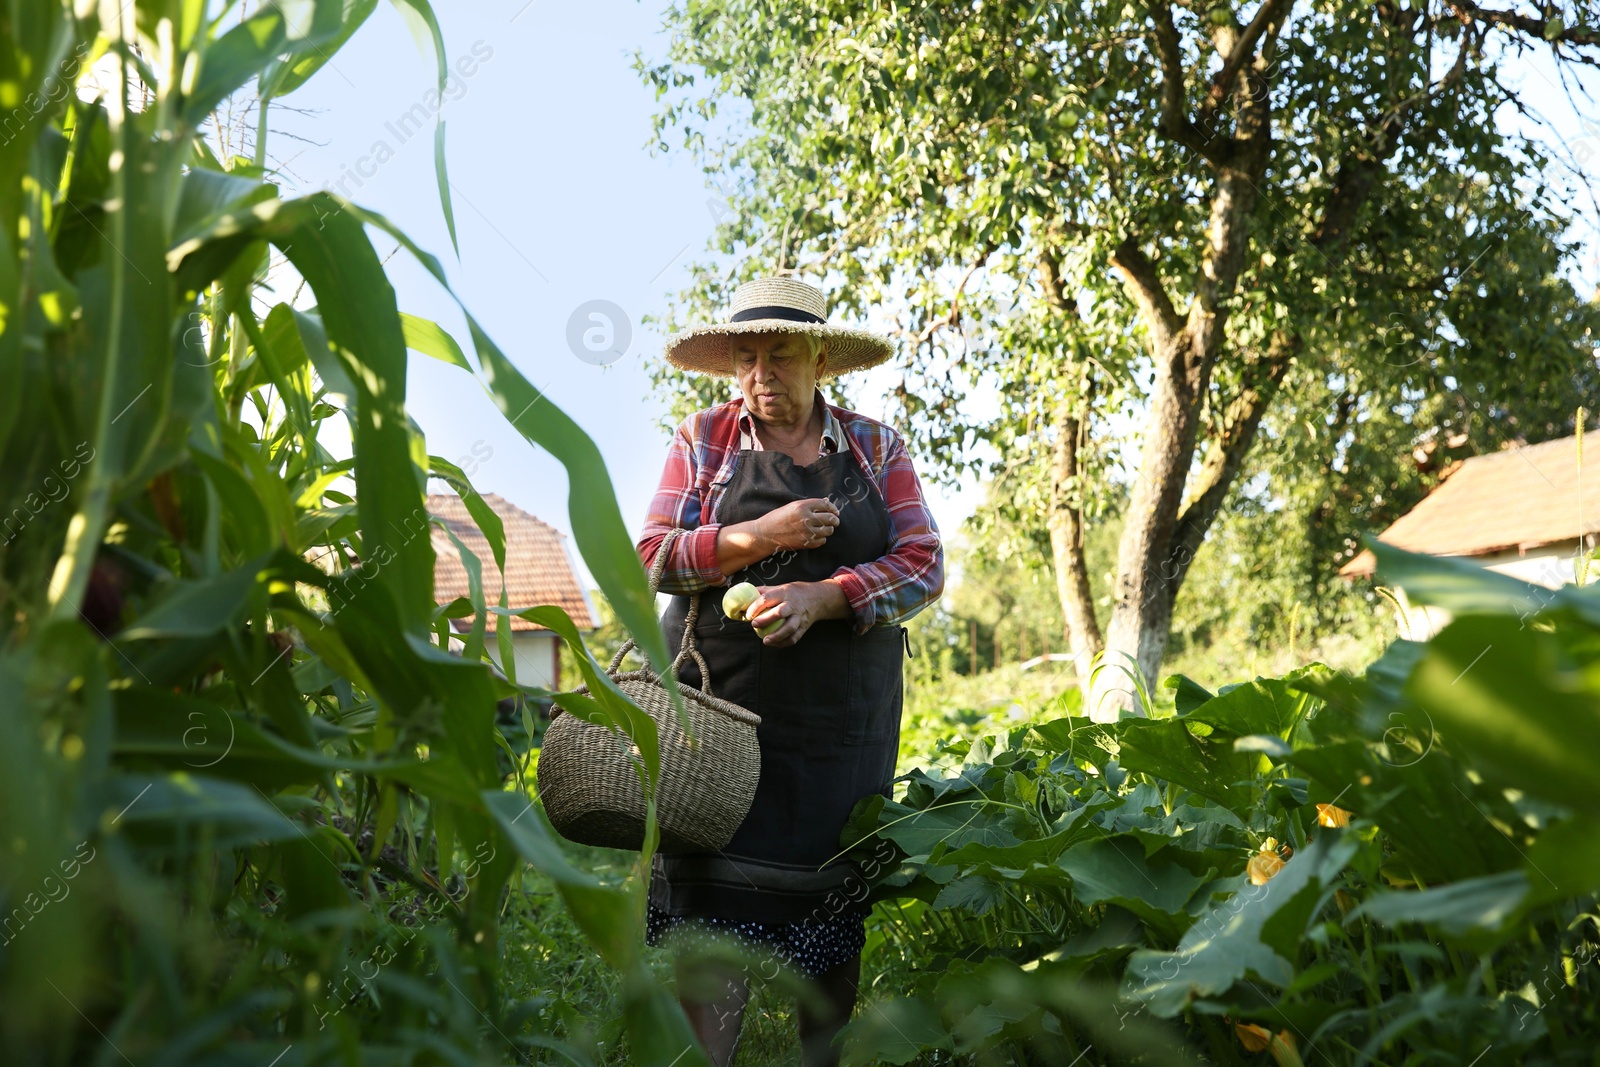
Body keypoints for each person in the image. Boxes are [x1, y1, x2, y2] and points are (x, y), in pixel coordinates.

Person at [636, 276, 944, 1066]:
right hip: (719, 714)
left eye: (779, 355)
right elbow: (655, 556)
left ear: (819, 360)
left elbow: (923, 563)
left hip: (839, 727)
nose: (760, 374)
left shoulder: (876, 447)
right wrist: (754, 536)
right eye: (745, 357)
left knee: (830, 910)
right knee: (711, 906)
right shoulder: (700, 441)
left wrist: (827, 594)